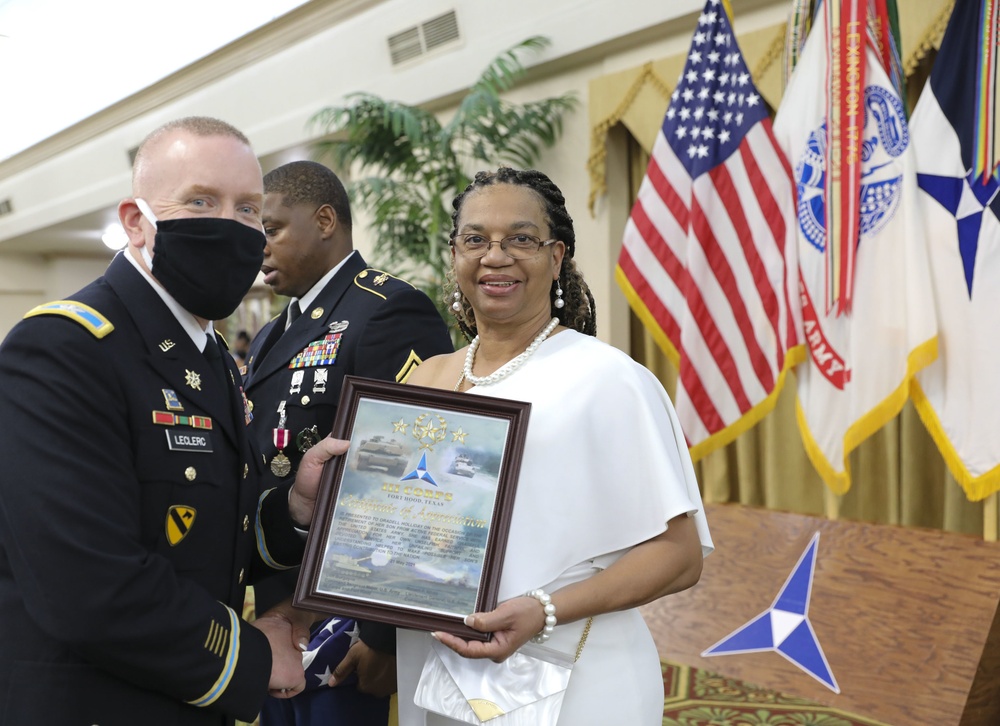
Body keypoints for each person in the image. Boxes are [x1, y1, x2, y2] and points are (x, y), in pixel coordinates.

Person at [0, 116, 348, 726]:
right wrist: (251, 656)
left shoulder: (207, 354)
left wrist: (293, 506)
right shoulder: (64, 348)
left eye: (247, 210)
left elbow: (208, 534)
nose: (230, 225)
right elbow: (89, 587)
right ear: (136, 221)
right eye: (199, 201)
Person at [396, 167, 714, 724]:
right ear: (454, 256)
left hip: (576, 676)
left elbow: (679, 554)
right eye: (476, 239)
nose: (495, 256)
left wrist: (544, 610)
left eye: (521, 239)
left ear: (557, 256)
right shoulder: (424, 379)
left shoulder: (608, 380)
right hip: (439, 670)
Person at [244, 160, 453, 725]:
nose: (258, 247)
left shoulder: (386, 310)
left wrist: (385, 636)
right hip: (276, 604)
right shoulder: (272, 333)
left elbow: (413, 476)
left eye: (271, 229)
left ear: (326, 220)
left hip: (348, 613)